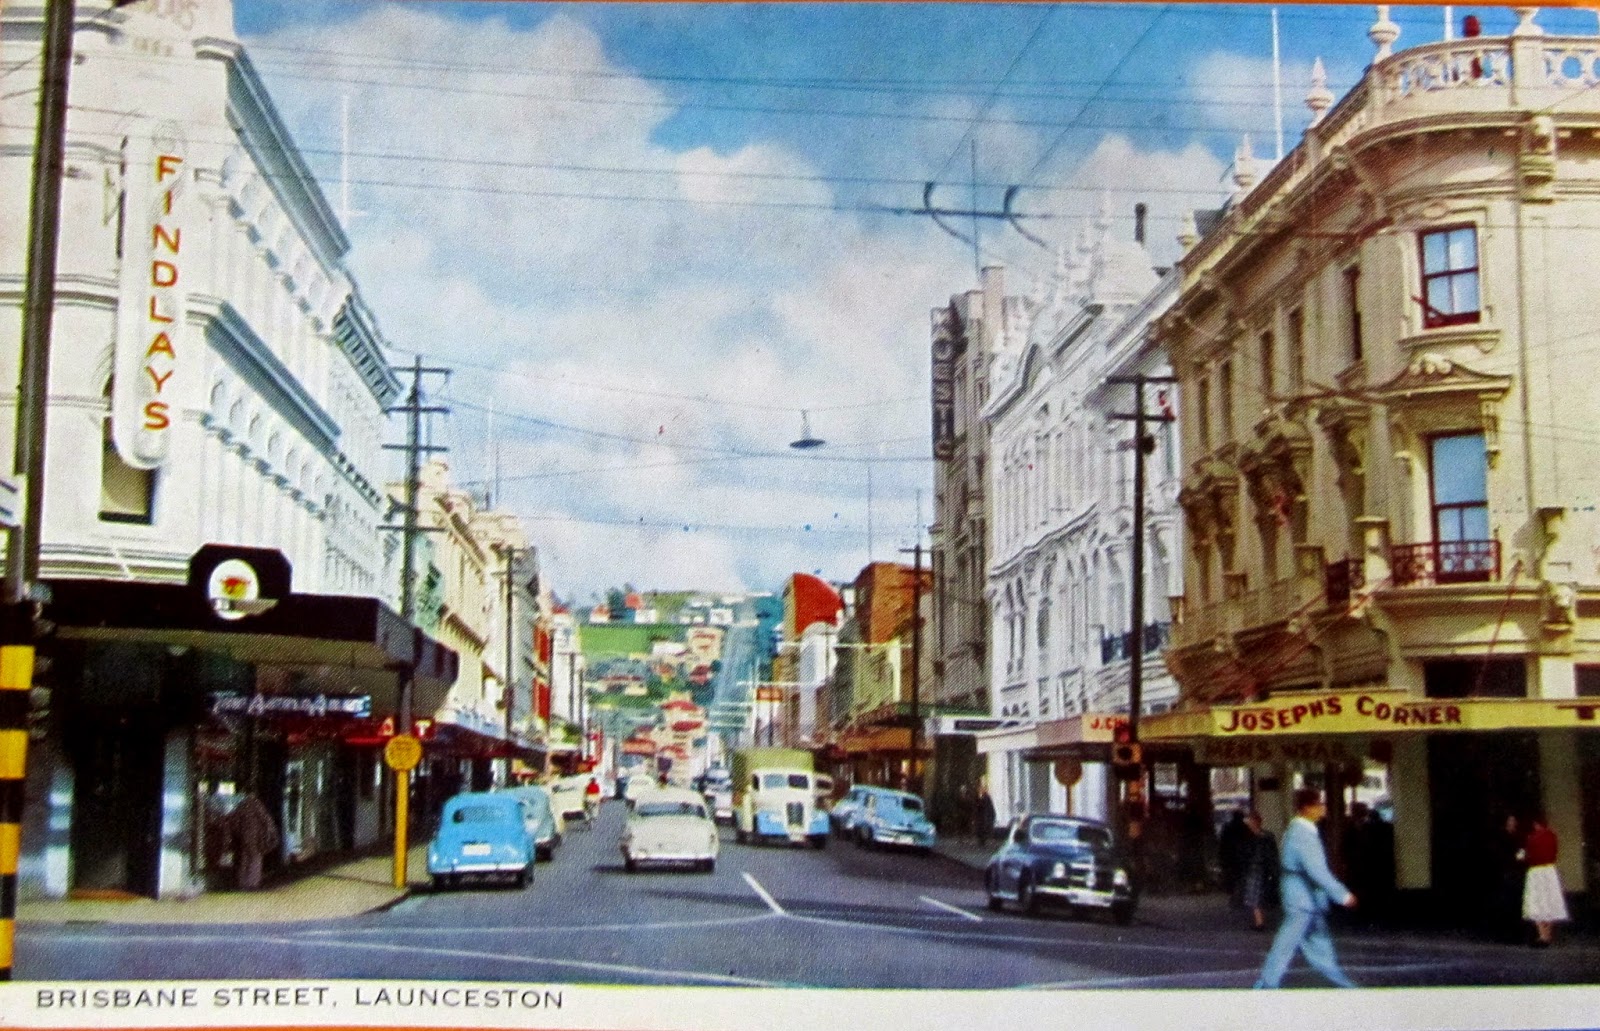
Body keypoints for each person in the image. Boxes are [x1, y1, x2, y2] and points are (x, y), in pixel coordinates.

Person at [1254, 788, 1358, 989]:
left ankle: (1339, 981)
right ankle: (1266, 984)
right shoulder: (1302, 833)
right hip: (1302, 898)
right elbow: (1317, 871)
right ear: (1306, 808)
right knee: (1288, 943)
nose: (1322, 808)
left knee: (1318, 942)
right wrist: (1343, 895)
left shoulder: (1301, 830)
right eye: (1318, 804)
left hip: (1306, 897)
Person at [1520, 811, 1568, 948]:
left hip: (1536, 872)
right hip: (1550, 871)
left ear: (1535, 824)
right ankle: (1548, 935)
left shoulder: (1532, 837)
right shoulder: (1552, 836)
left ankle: (1542, 935)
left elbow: (1528, 855)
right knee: (1550, 901)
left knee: (1537, 902)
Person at [229, 792, 279, 891]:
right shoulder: (256, 804)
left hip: (244, 836)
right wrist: (270, 832)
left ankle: (242, 882)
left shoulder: (241, 805)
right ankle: (252, 883)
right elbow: (266, 819)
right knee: (256, 858)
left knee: (245, 858)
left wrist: (239, 831)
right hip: (256, 836)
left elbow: (233, 821)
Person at [1239, 811, 1279, 932]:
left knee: (1254, 896)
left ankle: (1259, 922)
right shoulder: (1267, 836)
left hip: (1256, 869)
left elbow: (1245, 853)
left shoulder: (1249, 837)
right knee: (1257, 896)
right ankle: (1259, 921)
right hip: (1263, 869)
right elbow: (1273, 854)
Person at [1219, 808, 1248, 899]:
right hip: (1241, 857)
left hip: (1229, 856)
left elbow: (1222, 843)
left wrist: (1221, 857)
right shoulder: (1245, 828)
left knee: (1231, 877)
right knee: (1240, 877)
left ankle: (1233, 894)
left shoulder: (1227, 827)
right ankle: (1240, 895)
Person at [974, 781, 997, 848]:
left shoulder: (987, 797)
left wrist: (991, 815)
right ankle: (980, 841)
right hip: (979, 816)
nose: (981, 790)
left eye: (983, 788)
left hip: (984, 815)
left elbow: (989, 806)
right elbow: (975, 805)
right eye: (980, 788)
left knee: (983, 828)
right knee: (979, 829)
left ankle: (982, 841)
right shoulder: (976, 796)